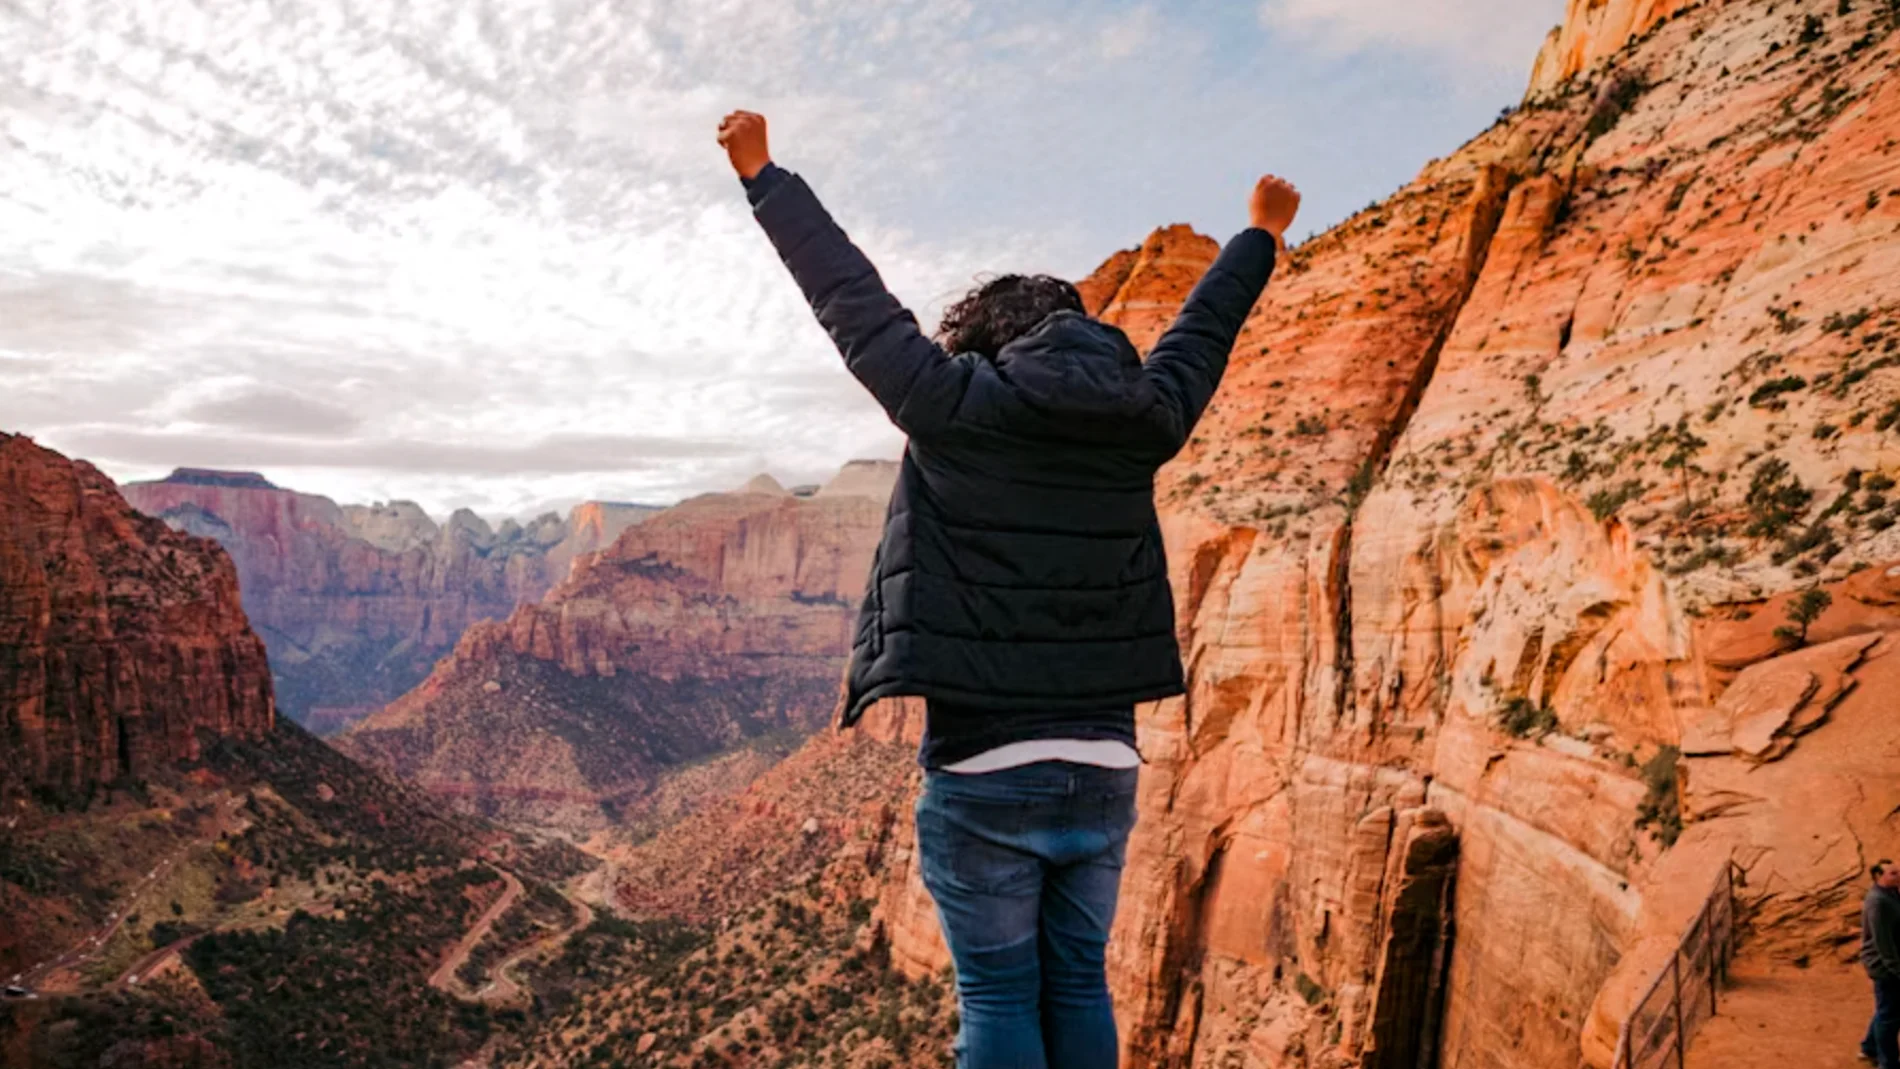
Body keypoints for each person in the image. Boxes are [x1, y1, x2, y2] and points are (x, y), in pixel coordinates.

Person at [718, 109, 1298, 1069]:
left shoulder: (953, 404)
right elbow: (1201, 334)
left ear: (986, 336)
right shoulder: (1142, 417)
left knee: (994, 997)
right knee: (1076, 982)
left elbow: (853, 303)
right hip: (1103, 761)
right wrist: (1260, 236)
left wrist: (763, 175)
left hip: (984, 763)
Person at [1865, 860, 1900, 1068]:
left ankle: (1869, 1047)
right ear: (1879, 877)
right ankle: (1888, 1063)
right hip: (1884, 965)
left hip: (1890, 962)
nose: (1899, 876)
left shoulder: (1892, 894)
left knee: (1887, 1009)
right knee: (1889, 1016)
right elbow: (1882, 940)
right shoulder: (1878, 901)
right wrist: (1896, 969)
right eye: (1893, 873)